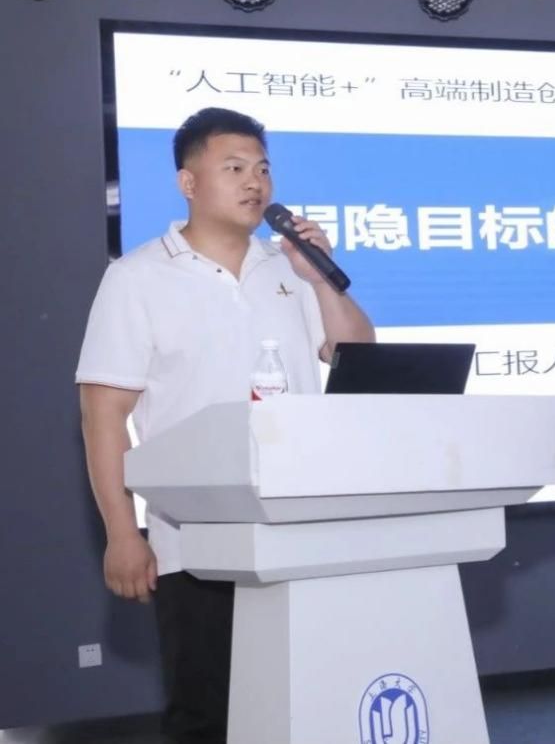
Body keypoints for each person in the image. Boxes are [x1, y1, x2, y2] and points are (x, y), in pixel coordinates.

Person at [76, 107, 375, 743]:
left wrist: (321, 278)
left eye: (262, 169)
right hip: (196, 540)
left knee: (310, 704)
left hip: (301, 527)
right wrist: (122, 532)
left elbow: (357, 354)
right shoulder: (137, 278)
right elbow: (103, 414)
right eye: (234, 168)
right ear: (188, 183)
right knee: (209, 713)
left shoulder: (290, 268)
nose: (254, 182)